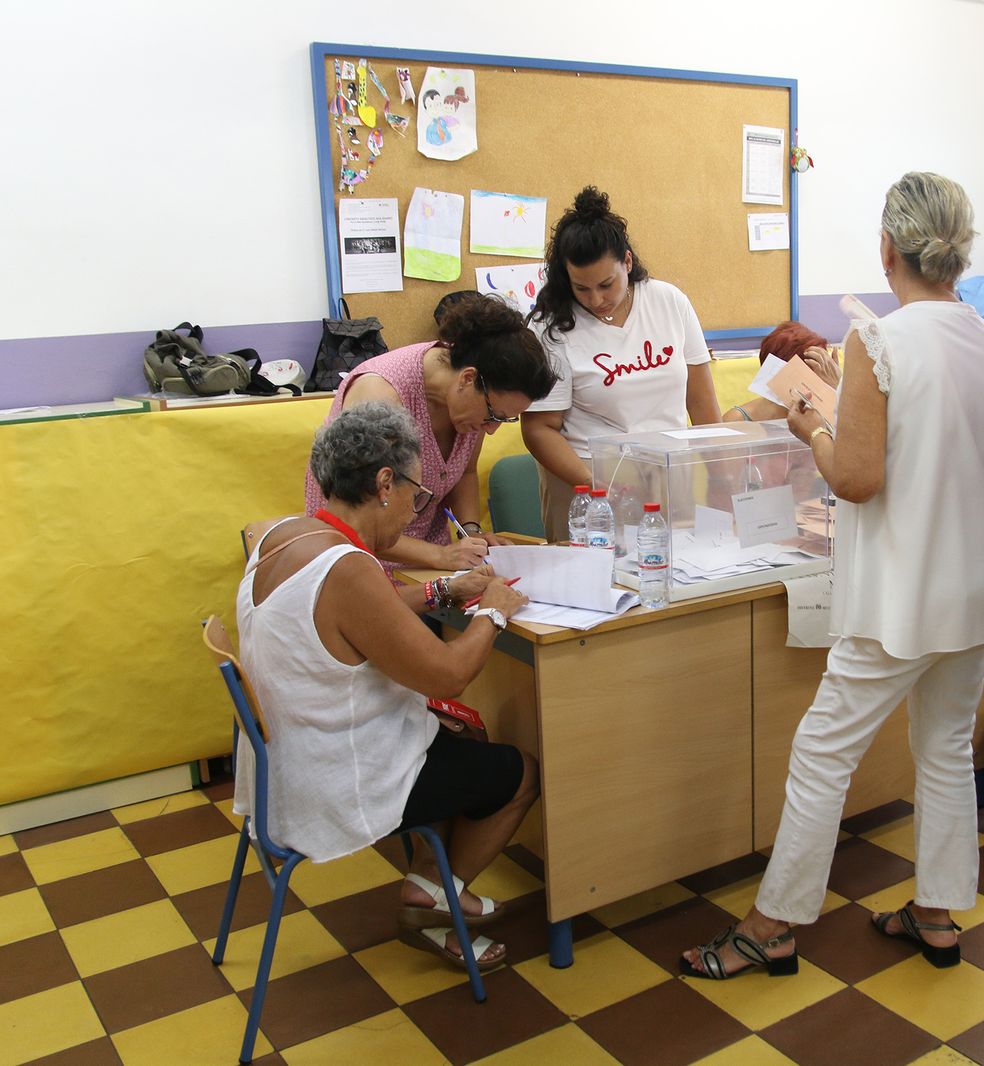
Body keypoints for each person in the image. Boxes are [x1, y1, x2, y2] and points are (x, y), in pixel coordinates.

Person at [681, 172, 984, 979]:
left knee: (822, 751)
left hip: (906, 593)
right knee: (944, 745)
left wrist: (812, 426)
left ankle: (771, 924)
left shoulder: (879, 342)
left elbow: (858, 478)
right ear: (961, 253)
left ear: (888, 249)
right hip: (982, 587)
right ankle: (936, 912)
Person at [243, 402, 538, 971]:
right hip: (337, 781)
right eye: (416, 496)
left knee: (460, 736)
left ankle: (432, 893)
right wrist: (493, 612)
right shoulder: (348, 568)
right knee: (520, 770)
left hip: (285, 764)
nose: (412, 511)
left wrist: (439, 592)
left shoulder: (282, 535)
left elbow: (354, 613)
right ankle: (433, 892)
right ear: (385, 483)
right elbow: (448, 671)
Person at [521, 186, 722, 542]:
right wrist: (593, 485)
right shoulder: (551, 327)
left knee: (673, 577)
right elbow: (539, 429)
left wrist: (722, 471)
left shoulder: (668, 301)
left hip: (668, 474)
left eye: (606, 284)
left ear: (627, 262)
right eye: (581, 289)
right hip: (586, 484)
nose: (596, 299)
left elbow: (702, 403)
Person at [304, 296, 558, 574]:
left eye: (504, 419)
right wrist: (440, 556)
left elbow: (465, 472)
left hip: (429, 565)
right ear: (467, 379)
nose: (492, 428)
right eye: (494, 416)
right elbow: (361, 518)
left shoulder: (475, 402)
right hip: (360, 565)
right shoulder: (380, 394)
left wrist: (470, 533)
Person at [722, 321, 841, 424]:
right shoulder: (735, 421)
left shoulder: (821, 416)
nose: (818, 385)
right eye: (813, 375)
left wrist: (837, 390)